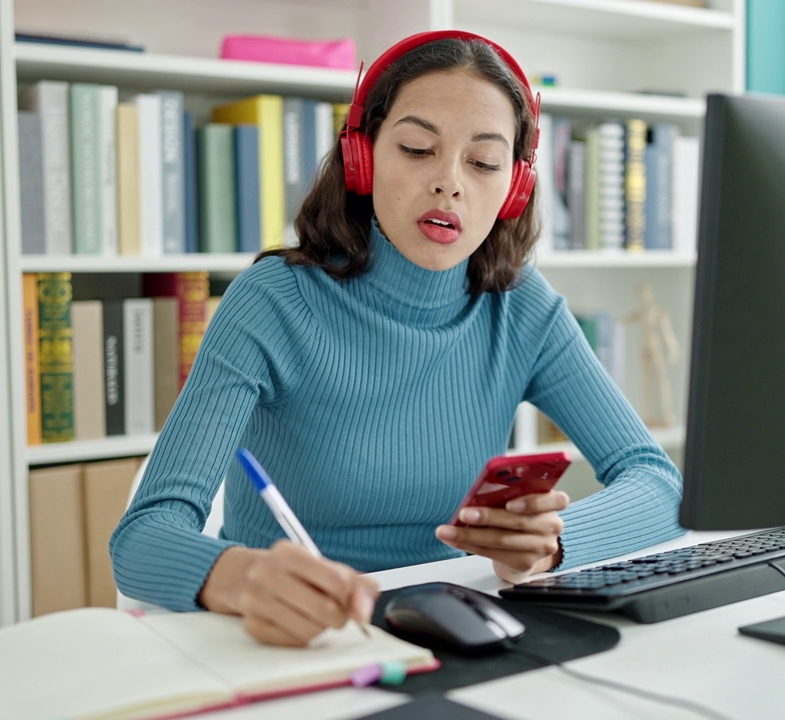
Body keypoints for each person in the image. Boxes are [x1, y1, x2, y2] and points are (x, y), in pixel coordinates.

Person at [111, 30, 686, 648]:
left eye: (484, 163)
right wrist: (240, 576)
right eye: (417, 148)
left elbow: (659, 482)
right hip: (300, 640)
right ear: (363, 157)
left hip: (456, 627)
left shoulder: (522, 308)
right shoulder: (272, 301)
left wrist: (553, 544)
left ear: (513, 188)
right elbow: (144, 536)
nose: (450, 183)